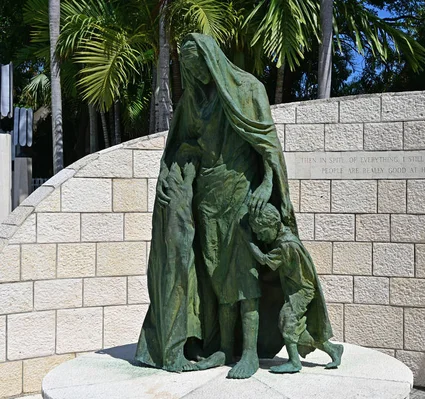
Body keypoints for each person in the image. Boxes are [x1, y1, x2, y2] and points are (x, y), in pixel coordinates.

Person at [135, 33, 298, 379]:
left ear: (212, 57)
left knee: (245, 276)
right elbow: (179, 147)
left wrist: (268, 184)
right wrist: (170, 177)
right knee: (217, 276)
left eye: (199, 64)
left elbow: (267, 145)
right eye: (189, 68)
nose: (196, 73)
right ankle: (224, 346)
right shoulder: (191, 102)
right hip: (208, 199)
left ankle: (250, 352)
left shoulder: (249, 89)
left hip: (242, 193)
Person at [243, 204, 342, 373]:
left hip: (301, 290)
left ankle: (295, 362)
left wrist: (248, 240)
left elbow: (264, 260)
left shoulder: (286, 244)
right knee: (298, 327)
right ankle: (333, 349)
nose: (260, 237)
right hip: (294, 288)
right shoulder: (284, 238)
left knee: (286, 318)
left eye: (261, 232)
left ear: (273, 225)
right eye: (256, 234)